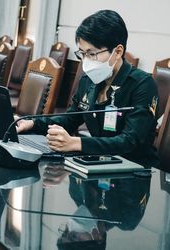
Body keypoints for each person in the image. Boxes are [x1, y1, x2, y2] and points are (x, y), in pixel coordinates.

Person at [16, 9, 159, 167]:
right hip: (99, 164)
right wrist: (34, 124)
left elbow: (130, 141)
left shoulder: (142, 84)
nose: (86, 62)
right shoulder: (88, 80)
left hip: (134, 171)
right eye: (82, 54)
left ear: (118, 51)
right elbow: (71, 119)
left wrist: (77, 143)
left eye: (92, 54)